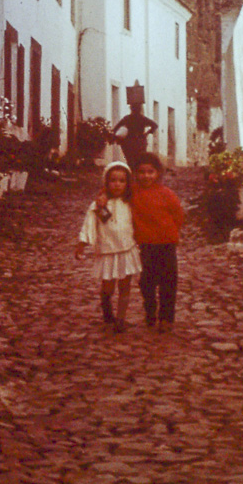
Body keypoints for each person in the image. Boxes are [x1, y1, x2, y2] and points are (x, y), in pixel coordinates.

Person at [75, 162, 141, 333]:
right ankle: (107, 310)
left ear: (128, 183)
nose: (117, 184)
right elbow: (89, 224)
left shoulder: (131, 203)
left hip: (127, 250)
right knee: (108, 287)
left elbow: (141, 222)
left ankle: (121, 319)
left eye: (122, 181)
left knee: (125, 286)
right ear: (106, 182)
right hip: (107, 251)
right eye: (113, 180)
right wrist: (81, 244)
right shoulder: (99, 205)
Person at [131, 152, 184, 334]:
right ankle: (150, 311)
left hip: (166, 244)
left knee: (168, 282)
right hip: (145, 245)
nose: (146, 176)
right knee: (147, 281)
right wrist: (103, 197)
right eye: (142, 172)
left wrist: (172, 233)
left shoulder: (166, 194)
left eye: (150, 172)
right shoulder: (133, 192)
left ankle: (166, 317)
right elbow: (111, 190)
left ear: (158, 173)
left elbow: (178, 216)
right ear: (136, 174)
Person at [112, 102, 158, 171]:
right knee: (139, 162)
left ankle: (131, 176)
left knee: (130, 162)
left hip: (128, 142)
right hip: (140, 142)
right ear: (140, 109)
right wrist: (147, 133)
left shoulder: (127, 118)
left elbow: (115, 129)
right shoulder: (143, 118)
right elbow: (155, 125)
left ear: (131, 109)